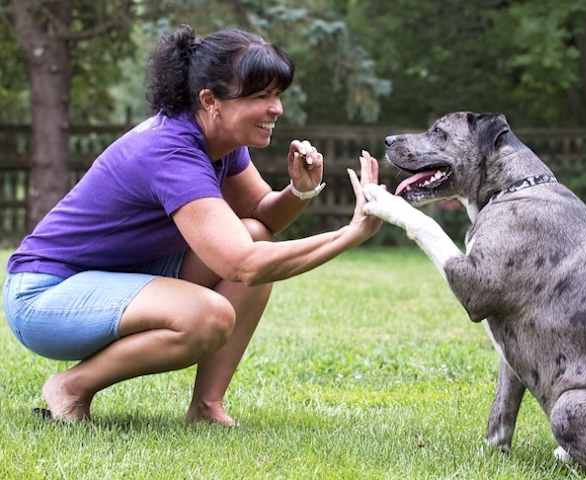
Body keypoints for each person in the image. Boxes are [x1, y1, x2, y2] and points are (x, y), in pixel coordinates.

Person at [2, 25, 382, 425]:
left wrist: (299, 192)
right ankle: (71, 387)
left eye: (277, 95)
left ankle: (206, 407)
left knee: (255, 233)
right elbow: (243, 264)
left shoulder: (219, 141)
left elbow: (261, 215)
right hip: (45, 296)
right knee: (209, 315)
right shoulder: (171, 152)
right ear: (210, 100)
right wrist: (349, 234)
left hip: (114, 277)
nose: (277, 109)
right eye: (261, 96)